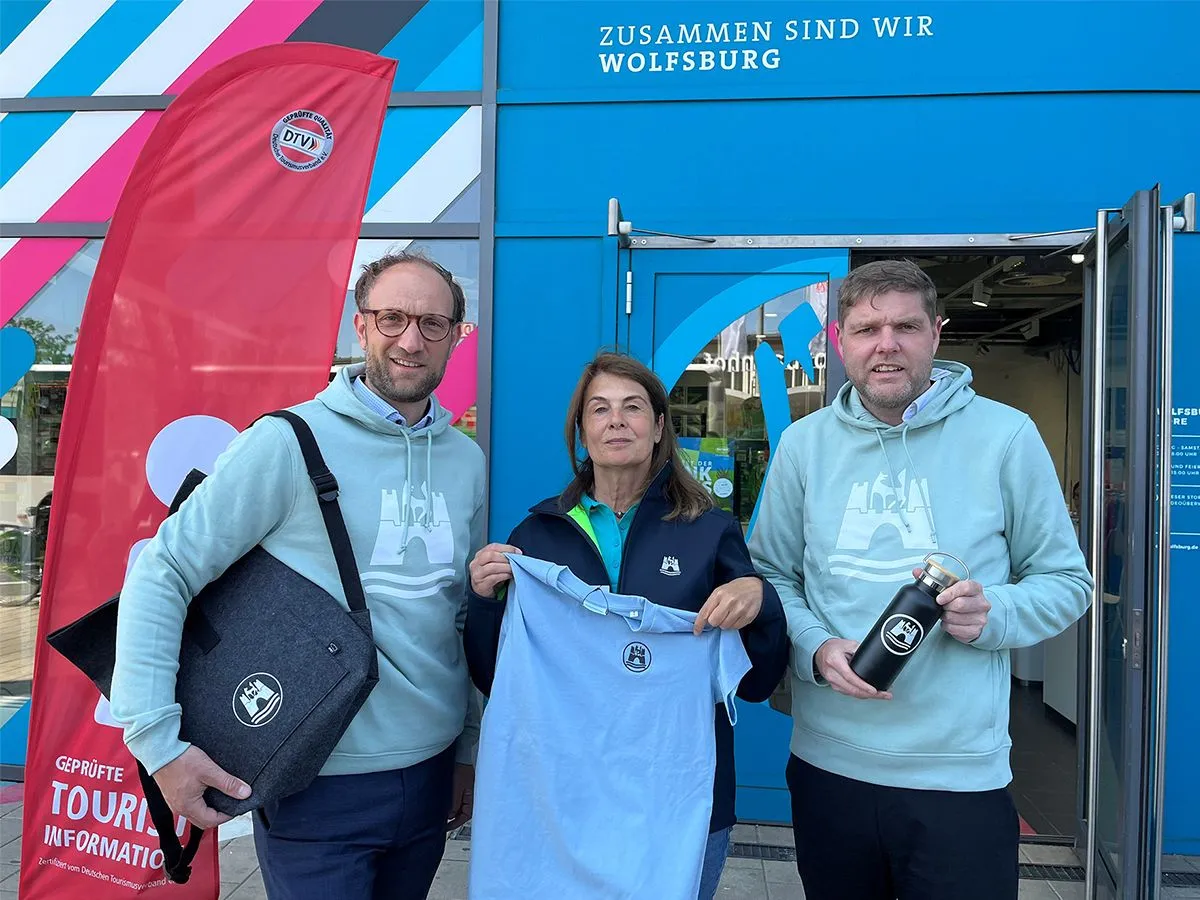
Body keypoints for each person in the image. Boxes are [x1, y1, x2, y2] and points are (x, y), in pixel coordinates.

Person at [111, 251, 486, 900]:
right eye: (392, 317)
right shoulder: (288, 442)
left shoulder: (464, 460)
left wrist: (467, 748)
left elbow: (459, 615)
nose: (410, 339)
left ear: (457, 336)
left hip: (429, 772)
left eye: (432, 323)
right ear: (360, 327)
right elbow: (163, 570)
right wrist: (157, 741)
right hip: (316, 779)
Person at [748, 259, 1092, 900]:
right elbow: (770, 576)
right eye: (867, 328)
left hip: (959, 776)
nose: (886, 344)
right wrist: (816, 647)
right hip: (828, 767)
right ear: (839, 341)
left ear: (937, 333)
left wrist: (996, 615)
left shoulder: (1006, 436)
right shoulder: (803, 445)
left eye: (905, 326)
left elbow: (1067, 581)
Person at [464, 352, 788, 899]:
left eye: (633, 407)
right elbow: (495, 676)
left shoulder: (707, 531)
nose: (617, 421)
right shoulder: (537, 536)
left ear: (659, 426)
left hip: (681, 796)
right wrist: (486, 600)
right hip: (564, 797)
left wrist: (762, 602)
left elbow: (755, 683)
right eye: (600, 409)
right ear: (582, 431)